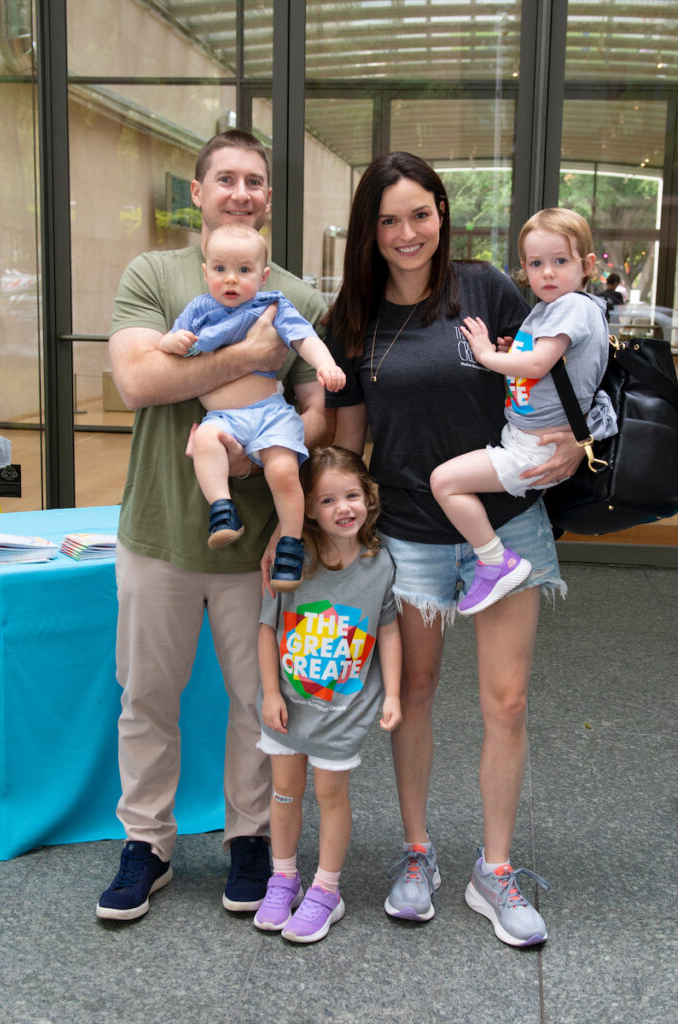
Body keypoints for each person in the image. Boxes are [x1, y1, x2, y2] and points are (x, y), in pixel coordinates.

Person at [324, 152, 583, 947]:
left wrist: (571, 445)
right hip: (408, 530)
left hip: (506, 523)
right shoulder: (354, 320)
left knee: (506, 702)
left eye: (420, 214)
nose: (407, 234)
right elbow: (346, 442)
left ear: (442, 212)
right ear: (369, 231)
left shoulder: (487, 289)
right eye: (389, 220)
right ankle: (416, 854)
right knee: (418, 692)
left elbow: (553, 380)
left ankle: (494, 869)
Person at [96, 129, 331, 922]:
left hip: (256, 545)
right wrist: (245, 357)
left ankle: (250, 838)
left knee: (257, 702)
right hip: (158, 534)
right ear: (195, 193)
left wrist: (290, 452)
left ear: (269, 197)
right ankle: (146, 844)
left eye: (255, 180)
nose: (240, 190)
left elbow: (317, 411)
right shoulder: (154, 276)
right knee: (147, 698)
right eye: (224, 178)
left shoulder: (293, 293)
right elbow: (136, 380)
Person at [429, 208, 616, 616]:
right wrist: (504, 353)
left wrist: (482, 354)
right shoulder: (552, 309)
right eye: (536, 263)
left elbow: (535, 366)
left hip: (534, 448)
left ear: (586, 266)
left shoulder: (572, 307)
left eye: (560, 261)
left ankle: (495, 562)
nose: (547, 273)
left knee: (444, 482)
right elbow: (536, 368)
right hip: (526, 438)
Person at [252, 446, 402, 943]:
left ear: (368, 498)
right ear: (308, 510)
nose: (343, 508)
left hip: (343, 713)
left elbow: (390, 633)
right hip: (287, 710)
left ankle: (326, 890)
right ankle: (284, 878)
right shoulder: (293, 563)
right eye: (327, 500)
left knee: (330, 795)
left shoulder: (380, 565)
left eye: (352, 495)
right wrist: (271, 691)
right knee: (284, 793)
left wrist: (393, 695)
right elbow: (266, 629)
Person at [158, 223, 345, 590]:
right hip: (223, 417)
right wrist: (172, 341)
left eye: (244, 270)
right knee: (206, 442)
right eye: (220, 269)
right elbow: (169, 343)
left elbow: (304, 338)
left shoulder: (273, 306)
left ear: (263, 276)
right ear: (205, 272)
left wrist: (325, 364)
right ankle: (223, 510)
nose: (231, 279)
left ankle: (291, 541)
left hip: (269, 414)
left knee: (282, 471)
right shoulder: (199, 309)